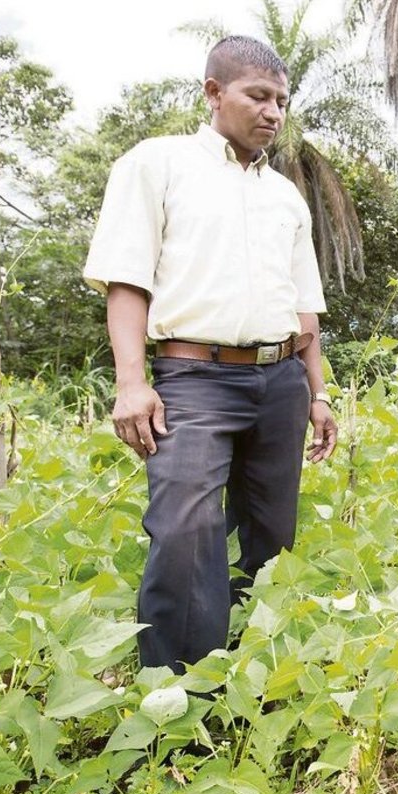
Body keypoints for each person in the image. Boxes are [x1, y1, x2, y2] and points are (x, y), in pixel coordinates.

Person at [83, 35, 337, 671]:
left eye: (281, 100)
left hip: (280, 381)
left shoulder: (285, 195)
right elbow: (126, 279)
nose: (273, 112)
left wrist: (319, 391)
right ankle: (175, 697)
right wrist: (131, 383)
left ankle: (251, 674)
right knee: (184, 532)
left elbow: (304, 305)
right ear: (213, 92)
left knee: (272, 535)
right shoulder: (156, 164)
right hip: (192, 377)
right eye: (258, 96)